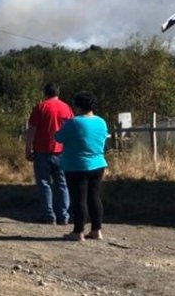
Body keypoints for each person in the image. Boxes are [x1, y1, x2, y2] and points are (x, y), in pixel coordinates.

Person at [55, 91, 108, 241]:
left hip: (76, 165)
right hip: (98, 163)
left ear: (77, 106)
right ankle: (96, 230)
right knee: (95, 198)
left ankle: (78, 231)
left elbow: (58, 137)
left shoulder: (74, 122)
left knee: (79, 199)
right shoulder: (101, 122)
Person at [25, 83, 74, 225]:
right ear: (58, 92)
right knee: (62, 183)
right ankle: (63, 215)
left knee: (44, 183)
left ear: (45, 93)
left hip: (42, 150)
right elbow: (71, 129)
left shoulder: (41, 107)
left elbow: (32, 131)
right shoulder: (67, 108)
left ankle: (48, 214)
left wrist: (28, 149)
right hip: (62, 151)